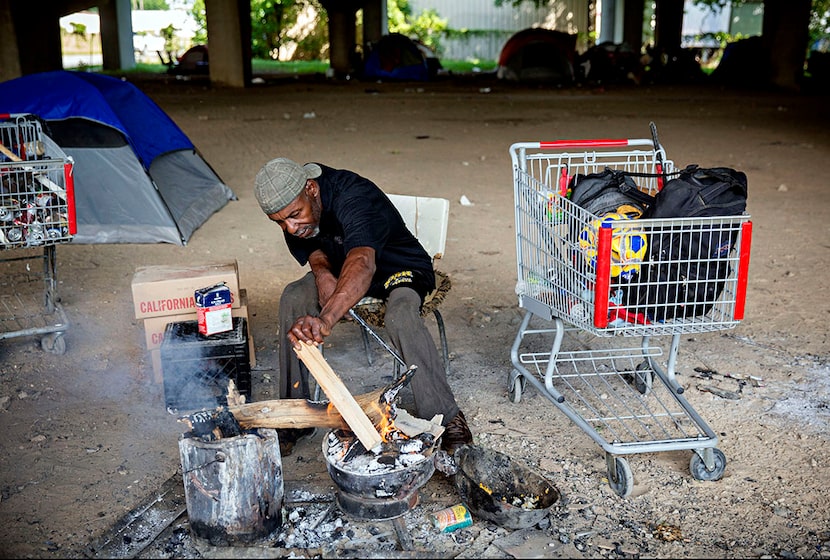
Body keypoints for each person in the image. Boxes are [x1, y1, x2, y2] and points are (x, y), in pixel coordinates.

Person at [254, 157, 473, 456]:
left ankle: (446, 418)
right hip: (345, 269)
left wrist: (327, 317)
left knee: (401, 316)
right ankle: (294, 415)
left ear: (311, 189)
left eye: (294, 215)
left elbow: (363, 263)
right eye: (280, 222)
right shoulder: (293, 204)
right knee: (293, 296)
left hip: (397, 267)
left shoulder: (355, 196)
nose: (290, 228)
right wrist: (322, 273)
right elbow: (312, 247)